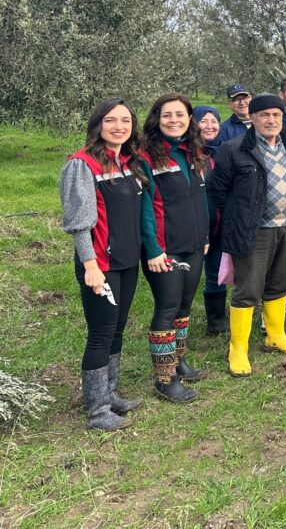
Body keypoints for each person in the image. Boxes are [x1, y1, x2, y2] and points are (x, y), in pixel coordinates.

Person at [208, 94, 286, 376]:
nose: (271, 120)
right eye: (264, 115)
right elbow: (217, 190)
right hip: (254, 231)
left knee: (280, 284)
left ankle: (275, 336)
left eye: (276, 115)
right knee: (248, 289)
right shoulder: (234, 149)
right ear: (252, 119)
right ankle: (238, 349)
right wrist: (239, 215)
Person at [59, 99, 147, 431]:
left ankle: (110, 395)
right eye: (111, 120)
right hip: (100, 263)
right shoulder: (82, 165)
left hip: (127, 261)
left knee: (117, 329)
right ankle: (97, 410)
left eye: (125, 121)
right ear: (98, 124)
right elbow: (79, 223)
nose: (119, 126)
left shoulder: (126, 162)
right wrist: (90, 265)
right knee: (101, 333)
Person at [138, 94, 210, 404]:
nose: (174, 120)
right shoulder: (145, 158)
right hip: (164, 250)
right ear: (157, 119)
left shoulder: (193, 153)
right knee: (167, 309)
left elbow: (199, 200)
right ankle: (164, 379)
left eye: (180, 115)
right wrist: (153, 249)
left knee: (183, 308)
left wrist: (204, 236)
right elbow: (143, 209)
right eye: (167, 115)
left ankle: (178, 361)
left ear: (189, 119)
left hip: (193, 244)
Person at [194, 105, 229, 335]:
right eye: (203, 121)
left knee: (217, 273)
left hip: (221, 226)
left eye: (214, 121)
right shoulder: (190, 155)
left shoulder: (225, 152)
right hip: (196, 228)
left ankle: (216, 321)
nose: (209, 126)